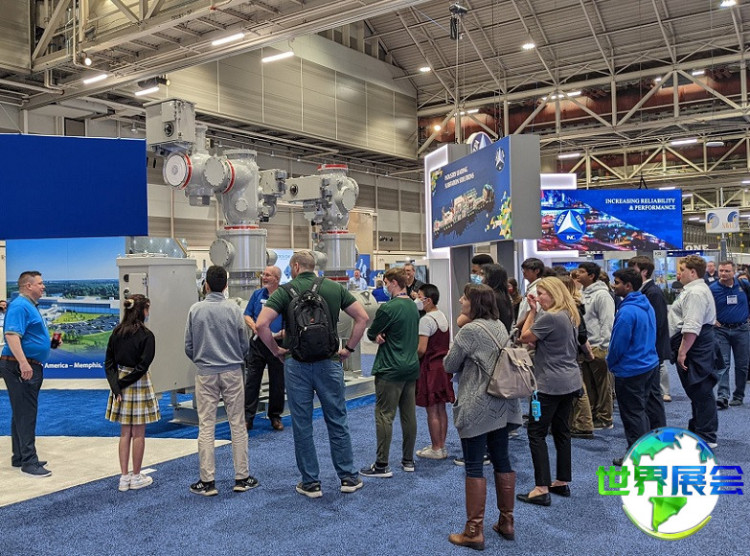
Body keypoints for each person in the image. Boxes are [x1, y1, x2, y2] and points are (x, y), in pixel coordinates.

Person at [256, 250, 369, 498]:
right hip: (329, 362)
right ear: (313, 265)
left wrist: (276, 350)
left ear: (296, 266)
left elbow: (261, 324)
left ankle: (311, 483)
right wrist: (348, 349)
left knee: (302, 424)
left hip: (296, 364)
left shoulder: (285, 291)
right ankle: (348, 478)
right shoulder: (334, 288)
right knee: (337, 420)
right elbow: (362, 317)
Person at [444, 284, 522, 549]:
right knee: (502, 459)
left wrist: (461, 327)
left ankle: (473, 531)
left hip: (478, 404)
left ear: (474, 303)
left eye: (465, 297)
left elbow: (449, 364)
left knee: (474, 465)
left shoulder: (470, 330)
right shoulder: (498, 325)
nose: (460, 300)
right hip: (503, 403)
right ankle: (507, 521)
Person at [184, 265, 258, 496]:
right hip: (232, 372)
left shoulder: (195, 310)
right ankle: (242, 477)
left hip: (206, 372)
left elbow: (188, 346)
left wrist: (203, 359)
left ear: (206, 285)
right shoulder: (234, 309)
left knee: (206, 425)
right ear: (226, 285)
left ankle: (207, 482)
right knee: (237, 423)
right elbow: (244, 344)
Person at [518, 277, 582, 507]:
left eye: (542, 293)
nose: (538, 297)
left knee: (536, 433)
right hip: (570, 381)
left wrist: (532, 311)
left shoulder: (550, 317)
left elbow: (525, 337)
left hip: (548, 384)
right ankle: (562, 481)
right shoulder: (569, 314)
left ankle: (541, 488)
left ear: (554, 293)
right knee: (562, 431)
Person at [361, 267, 420, 477]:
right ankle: (408, 460)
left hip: (390, 368)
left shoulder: (388, 308)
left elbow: (371, 332)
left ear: (394, 282)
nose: (385, 287)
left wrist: (377, 336)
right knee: (408, 415)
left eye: (386, 283)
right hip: (411, 367)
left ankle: (381, 464)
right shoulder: (413, 306)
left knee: (384, 415)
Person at [0, 271, 58, 477]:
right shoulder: (20, 305)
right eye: (40, 283)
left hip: (23, 364)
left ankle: (20, 456)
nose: (43, 286)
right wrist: (24, 363)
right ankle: (29, 462)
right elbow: (11, 336)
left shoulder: (27, 305)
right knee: (26, 413)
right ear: (28, 286)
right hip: (19, 366)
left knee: (21, 411)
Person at [104, 294, 160, 491]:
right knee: (138, 434)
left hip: (120, 383)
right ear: (142, 310)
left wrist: (116, 386)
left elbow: (109, 363)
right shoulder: (147, 335)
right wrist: (122, 383)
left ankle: (123, 477)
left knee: (124, 433)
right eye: (147, 308)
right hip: (138, 384)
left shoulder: (116, 333)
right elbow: (142, 367)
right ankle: (136, 476)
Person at [607, 269, 660, 466]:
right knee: (640, 412)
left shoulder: (627, 311)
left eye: (617, 282)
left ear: (628, 286)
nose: (614, 286)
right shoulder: (645, 304)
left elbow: (618, 344)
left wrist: (611, 363)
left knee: (633, 415)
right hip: (648, 365)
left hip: (631, 369)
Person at [669, 255, 719, 447]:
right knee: (697, 391)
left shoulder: (696, 292)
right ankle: (699, 429)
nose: (678, 274)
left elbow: (692, 326)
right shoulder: (693, 290)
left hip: (695, 346)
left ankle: (706, 435)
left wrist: (682, 352)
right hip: (696, 343)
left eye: (682, 270)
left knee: (701, 390)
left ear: (692, 272)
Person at [414, 284, 454, 460]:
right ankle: (441, 446)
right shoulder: (442, 316)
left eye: (419, 296)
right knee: (441, 408)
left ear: (428, 300)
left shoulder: (426, 320)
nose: (417, 300)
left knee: (432, 410)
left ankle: (436, 448)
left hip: (430, 368)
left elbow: (421, 349)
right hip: (443, 368)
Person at [243, 266, 285, 431]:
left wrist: (282, 333)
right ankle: (248, 418)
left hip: (277, 344)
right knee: (252, 381)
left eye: (268, 275)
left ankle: (275, 417)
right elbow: (247, 314)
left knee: (277, 382)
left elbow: (289, 322)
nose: (264, 277)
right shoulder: (257, 295)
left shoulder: (285, 297)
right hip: (258, 344)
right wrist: (255, 326)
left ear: (277, 279)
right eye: (263, 274)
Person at [629, 256, 672, 407]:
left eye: (633, 269)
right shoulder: (642, 291)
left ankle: (663, 395)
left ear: (644, 272)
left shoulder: (653, 292)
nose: (630, 272)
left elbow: (658, 322)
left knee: (653, 391)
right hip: (647, 345)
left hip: (653, 345)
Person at [577, 262, 615, 430]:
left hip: (599, 345)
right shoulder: (581, 293)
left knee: (602, 385)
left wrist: (604, 346)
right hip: (586, 345)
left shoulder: (602, 295)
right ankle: (593, 414)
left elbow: (607, 321)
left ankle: (605, 418)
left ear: (591, 276)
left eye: (582, 272)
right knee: (589, 384)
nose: (578, 274)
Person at [709, 260, 749, 409]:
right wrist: (712, 320)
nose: (724, 273)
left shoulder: (744, 285)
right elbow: (706, 307)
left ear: (734, 272)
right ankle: (723, 397)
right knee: (723, 364)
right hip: (721, 331)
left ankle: (738, 396)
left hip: (742, 329)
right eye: (721, 271)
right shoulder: (712, 289)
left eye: (727, 271)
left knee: (742, 365)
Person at [561, 276, 595, 440]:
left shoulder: (572, 307)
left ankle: (584, 424)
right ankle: (579, 423)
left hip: (572, 353)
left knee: (579, 388)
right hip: (572, 352)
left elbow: (581, 334)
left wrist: (587, 352)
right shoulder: (573, 306)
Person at [481, 263, 514, 333]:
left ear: (490, 278)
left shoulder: (491, 297)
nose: (481, 278)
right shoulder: (503, 296)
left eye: (483, 275)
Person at [515, 257, 545, 328]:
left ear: (537, 271)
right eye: (523, 269)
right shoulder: (531, 287)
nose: (524, 272)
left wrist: (516, 327)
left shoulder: (536, 289)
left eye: (527, 270)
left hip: (529, 327)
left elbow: (531, 313)